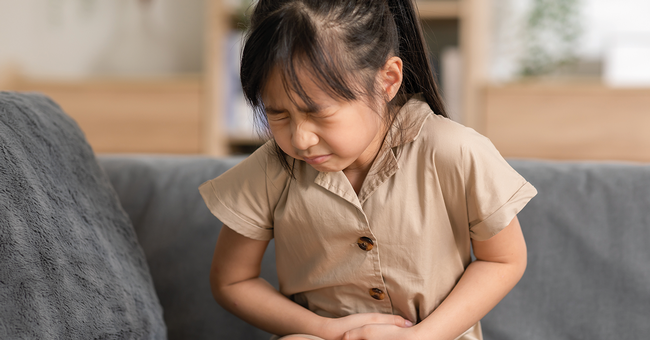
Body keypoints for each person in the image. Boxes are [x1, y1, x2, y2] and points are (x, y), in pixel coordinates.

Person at [199, 0, 537, 339]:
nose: (300, 139)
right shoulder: (272, 168)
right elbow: (232, 279)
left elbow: (502, 260)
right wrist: (325, 329)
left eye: (318, 113)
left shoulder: (455, 151)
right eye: (279, 115)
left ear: (387, 81)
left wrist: (420, 337)